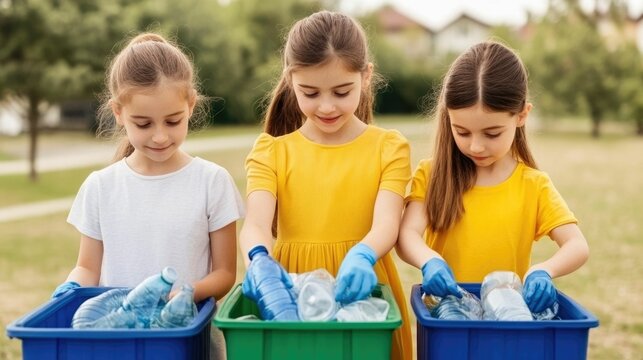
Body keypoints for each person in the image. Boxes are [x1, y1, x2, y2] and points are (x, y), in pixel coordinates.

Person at [51, 33, 244, 356]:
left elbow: (225, 273)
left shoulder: (212, 181)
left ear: (191, 105)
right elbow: (88, 268)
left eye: (173, 121)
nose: (159, 136)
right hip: (119, 342)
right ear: (117, 112)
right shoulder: (101, 186)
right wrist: (71, 288)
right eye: (143, 124)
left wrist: (189, 290)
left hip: (187, 340)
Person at [239, 10, 412, 360]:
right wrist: (258, 258)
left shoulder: (389, 147)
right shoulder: (271, 151)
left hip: (365, 291)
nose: (327, 106)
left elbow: (387, 223)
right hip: (291, 295)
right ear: (291, 81)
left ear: (366, 76)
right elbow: (255, 224)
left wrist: (363, 255)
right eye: (311, 93)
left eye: (341, 91)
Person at [396, 41, 590, 314]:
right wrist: (429, 260)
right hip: (448, 317)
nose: (476, 146)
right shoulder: (432, 175)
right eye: (462, 132)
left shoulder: (533, 185)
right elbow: (407, 235)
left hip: (506, 317)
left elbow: (577, 245)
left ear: (522, 115)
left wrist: (543, 270)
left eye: (492, 133)